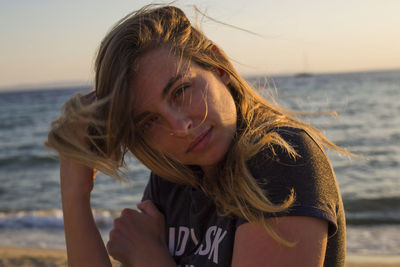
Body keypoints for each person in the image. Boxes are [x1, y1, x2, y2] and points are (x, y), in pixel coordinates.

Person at [46, 5, 348, 267]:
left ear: (217, 67)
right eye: (150, 121)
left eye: (180, 92)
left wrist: (148, 257)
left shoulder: (280, 157)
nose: (179, 127)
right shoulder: (172, 181)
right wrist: (75, 189)